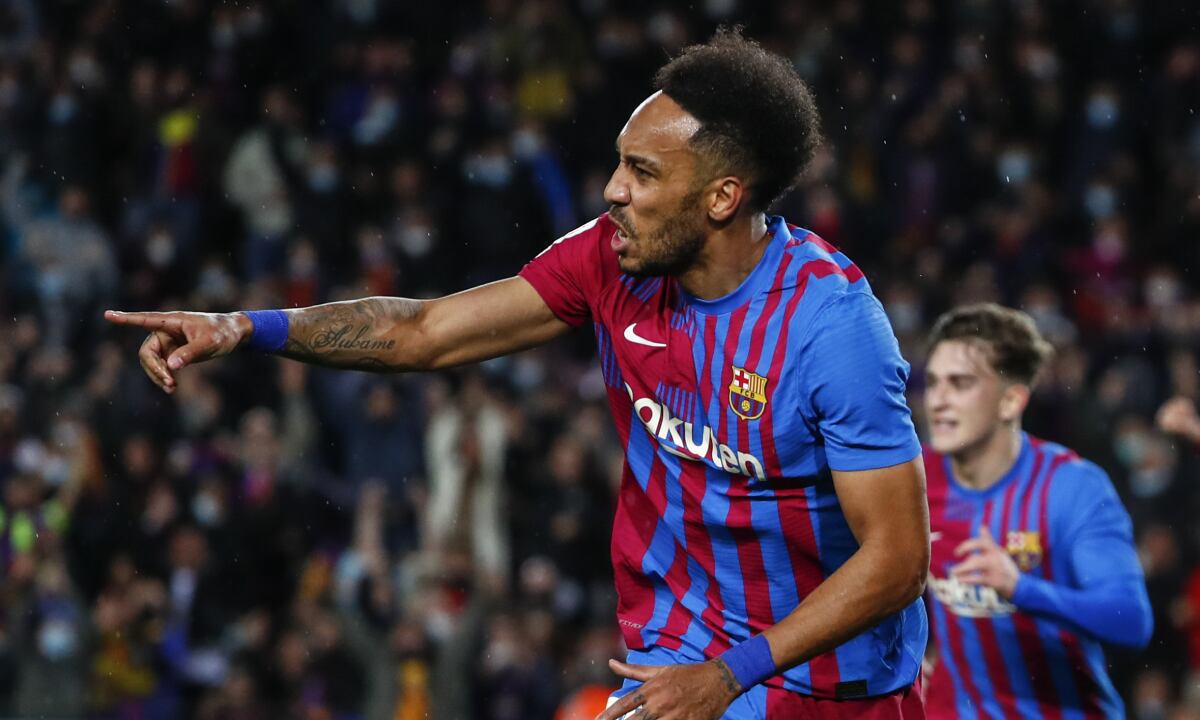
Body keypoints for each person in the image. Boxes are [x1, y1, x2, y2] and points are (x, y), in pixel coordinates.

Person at [107, 30, 930, 719]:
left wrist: (730, 674)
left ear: (721, 197)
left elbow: (898, 559)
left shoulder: (831, 331)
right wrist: (246, 325)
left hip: (827, 681)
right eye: (619, 163)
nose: (612, 191)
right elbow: (423, 332)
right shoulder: (611, 260)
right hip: (676, 652)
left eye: (643, 173)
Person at [920, 303, 1153, 719]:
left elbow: (1130, 620)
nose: (937, 400)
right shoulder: (917, 479)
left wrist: (1020, 588)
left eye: (960, 384)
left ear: (1011, 401)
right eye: (933, 382)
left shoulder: (1071, 487)